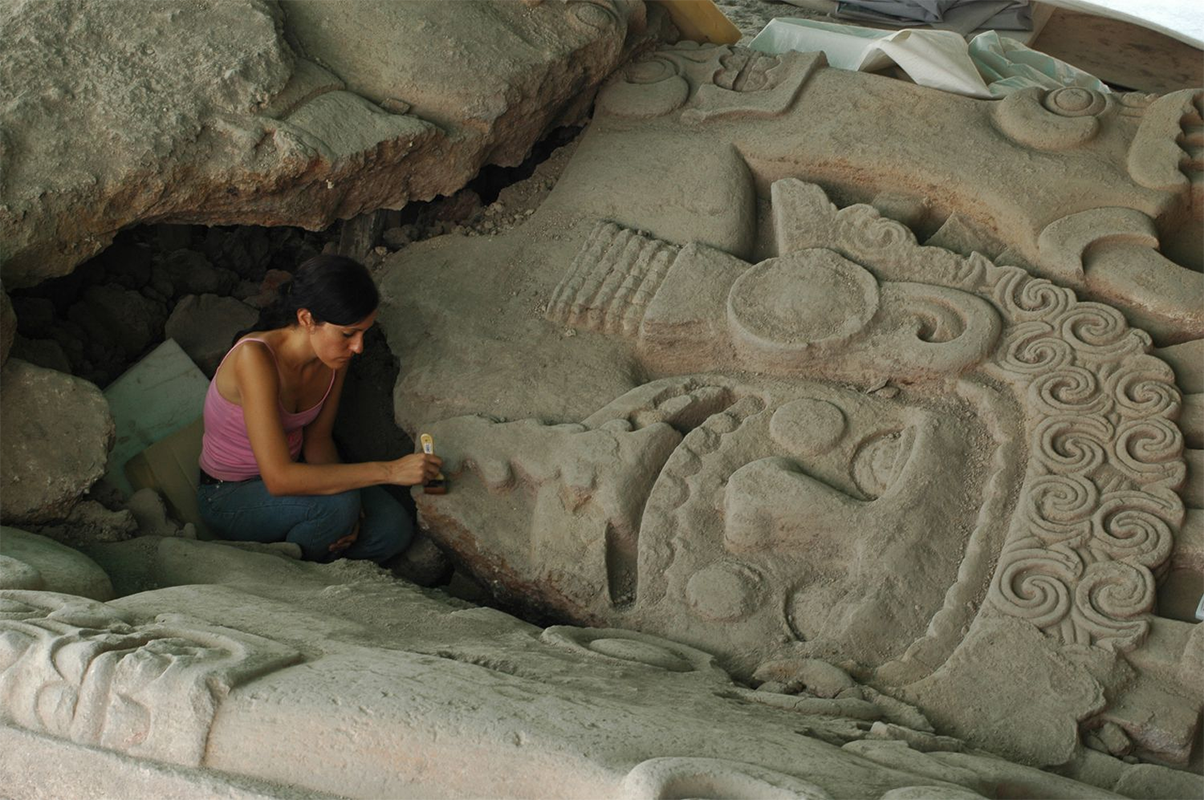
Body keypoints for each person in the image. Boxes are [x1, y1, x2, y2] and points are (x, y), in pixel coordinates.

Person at [196, 255, 441, 563]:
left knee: (392, 529)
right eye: (348, 334)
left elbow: (318, 440)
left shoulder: (332, 359)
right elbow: (279, 479)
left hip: (297, 474)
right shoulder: (254, 359)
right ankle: (293, 575)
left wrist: (350, 510)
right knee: (338, 506)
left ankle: (314, 548)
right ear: (307, 319)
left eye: (364, 332)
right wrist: (389, 472)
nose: (358, 347)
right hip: (229, 494)